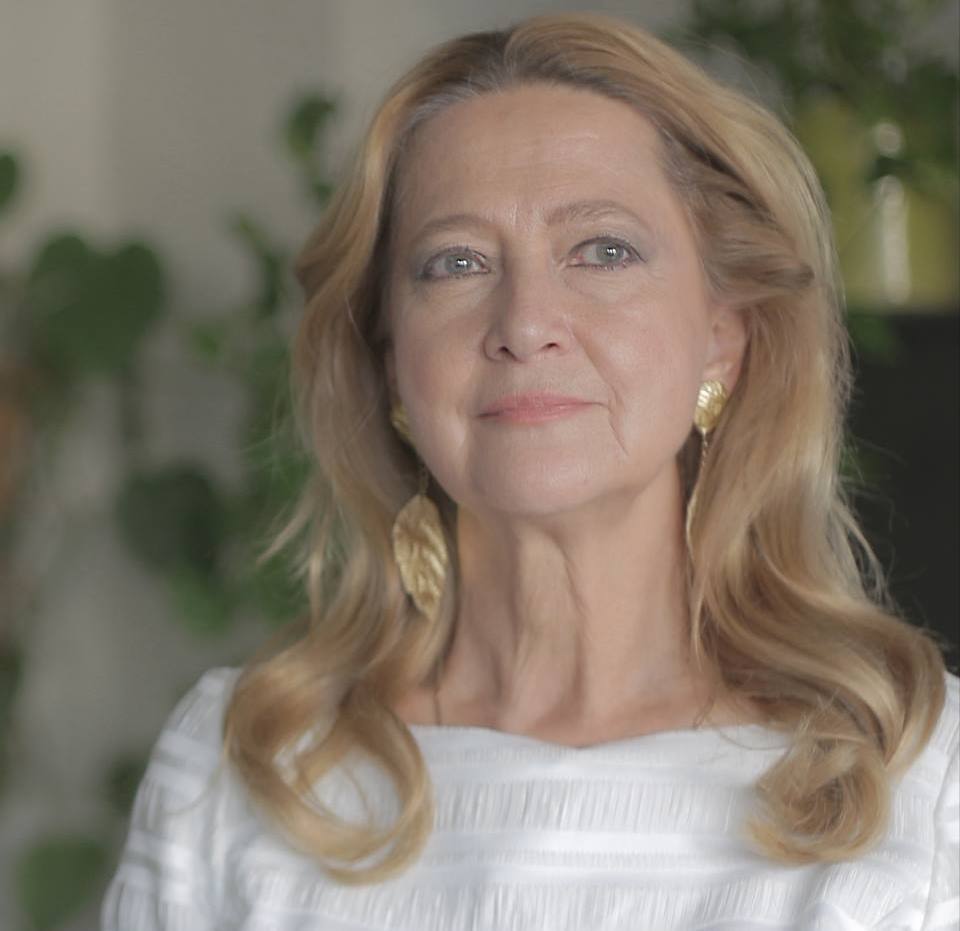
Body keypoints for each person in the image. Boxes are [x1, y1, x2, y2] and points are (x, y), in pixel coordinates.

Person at [102, 12, 958, 931]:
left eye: (604, 250)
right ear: (391, 362)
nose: (524, 322)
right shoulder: (240, 768)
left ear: (722, 336)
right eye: (457, 263)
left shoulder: (921, 775)